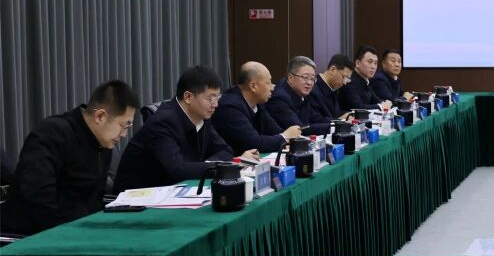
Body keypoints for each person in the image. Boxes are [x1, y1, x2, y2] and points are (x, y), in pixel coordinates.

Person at [0, 80, 139, 235]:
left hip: (80, 229)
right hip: (35, 235)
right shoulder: (52, 134)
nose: (124, 134)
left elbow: (93, 200)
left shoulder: (102, 143)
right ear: (100, 116)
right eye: (124, 125)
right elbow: (38, 201)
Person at [114, 66, 257, 191]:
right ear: (188, 97)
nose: (215, 105)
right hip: (136, 198)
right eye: (210, 98)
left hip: (171, 191)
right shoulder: (163, 122)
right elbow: (176, 170)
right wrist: (224, 166)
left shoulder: (202, 116)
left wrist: (210, 166)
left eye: (217, 98)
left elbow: (225, 150)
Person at [211, 62, 302, 154]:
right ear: (253, 86)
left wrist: (286, 137)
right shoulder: (229, 107)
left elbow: (274, 131)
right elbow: (252, 143)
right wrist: (284, 137)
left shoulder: (257, 103)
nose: (272, 88)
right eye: (268, 82)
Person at [265, 56, 333, 136]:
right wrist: (333, 128)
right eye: (305, 77)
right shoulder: (279, 98)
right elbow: (300, 129)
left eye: (312, 79)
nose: (309, 83)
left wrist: (338, 123)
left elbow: (315, 118)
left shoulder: (301, 93)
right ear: (290, 78)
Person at [338, 45, 384, 111]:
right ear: (357, 63)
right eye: (370, 62)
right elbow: (358, 107)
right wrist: (381, 106)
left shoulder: (365, 81)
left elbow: (376, 101)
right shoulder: (350, 81)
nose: (373, 67)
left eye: (375, 63)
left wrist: (384, 104)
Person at [310, 54, 354, 120]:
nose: (345, 82)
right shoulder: (313, 89)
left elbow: (334, 114)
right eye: (344, 77)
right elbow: (316, 120)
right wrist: (340, 120)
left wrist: (347, 115)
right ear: (332, 70)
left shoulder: (334, 88)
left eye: (347, 79)